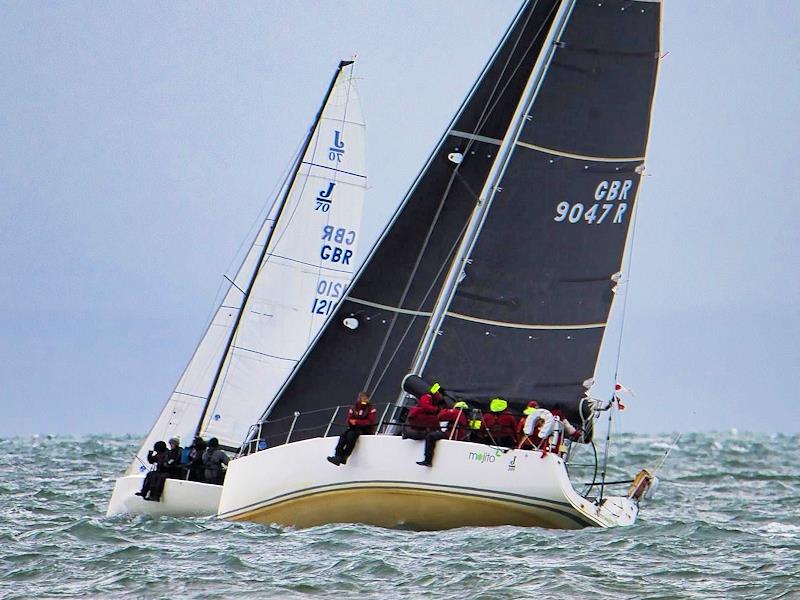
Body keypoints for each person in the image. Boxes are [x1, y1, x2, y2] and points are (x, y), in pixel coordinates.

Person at [327, 392, 377, 466]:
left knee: (351, 436)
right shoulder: (354, 408)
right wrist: (351, 422)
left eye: (366, 399)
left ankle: (345, 456)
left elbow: (370, 421)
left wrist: (356, 422)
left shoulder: (371, 409)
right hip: (354, 428)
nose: (364, 401)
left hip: (365, 429)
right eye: (363, 399)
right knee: (343, 436)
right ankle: (337, 456)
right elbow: (349, 419)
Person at [416, 401, 469, 467]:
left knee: (430, 436)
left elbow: (441, 416)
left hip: (452, 434)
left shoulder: (456, 412)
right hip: (459, 436)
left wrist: (443, 410)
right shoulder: (465, 417)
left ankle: (428, 460)